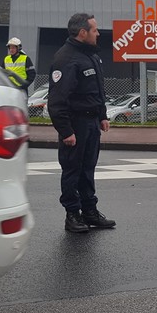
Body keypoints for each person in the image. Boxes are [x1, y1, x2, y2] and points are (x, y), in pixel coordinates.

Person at [47, 14, 115, 233]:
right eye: (94, 30)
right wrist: (66, 131)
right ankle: (72, 215)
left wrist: (102, 115)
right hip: (75, 124)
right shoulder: (66, 59)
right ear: (82, 32)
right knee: (72, 171)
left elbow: (97, 89)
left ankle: (90, 212)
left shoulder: (91, 55)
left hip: (91, 122)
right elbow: (57, 101)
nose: (98, 33)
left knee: (88, 169)